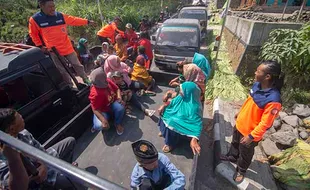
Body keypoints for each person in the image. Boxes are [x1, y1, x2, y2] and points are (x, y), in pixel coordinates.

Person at [220, 60, 284, 183]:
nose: (255, 72)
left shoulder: (273, 99)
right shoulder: (256, 85)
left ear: (267, 76)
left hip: (250, 133)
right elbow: (249, 101)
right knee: (235, 143)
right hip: (240, 124)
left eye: (258, 71)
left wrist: (251, 136)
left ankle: (241, 170)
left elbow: (266, 123)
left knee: (245, 153)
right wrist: (240, 112)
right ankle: (232, 156)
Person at [0, 108, 78, 189]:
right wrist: (34, 178)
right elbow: (12, 186)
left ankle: (65, 171)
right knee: (75, 182)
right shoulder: (3, 156)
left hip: (46, 163)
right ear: (12, 128)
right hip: (41, 181)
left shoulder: (24, 133)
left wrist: (43, 165)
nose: (21, 116)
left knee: (70, 141)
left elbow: (42, 152)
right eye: (19, 116)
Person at [28, 0, 94, 87]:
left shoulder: (60, 16)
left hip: (67, 47)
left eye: (53, 6)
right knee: (62, 70)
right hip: (54, 50)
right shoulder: (35, 19)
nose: (53, 9)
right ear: (41, 6)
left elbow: (73, 20)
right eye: (50, 7)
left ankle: (85, 79)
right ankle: (70, 86)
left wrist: (87, 21)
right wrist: (40, 46)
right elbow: (33, 34)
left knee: (77, 65)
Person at [157, 82, 203, 155]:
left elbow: (197, 125)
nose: (180, 92)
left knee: (171, 121)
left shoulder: (195, 108)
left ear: (188, 93)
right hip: (175, 116)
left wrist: (194, 139)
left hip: (182, 126)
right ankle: (164, 132)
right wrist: (164, 106)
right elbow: (171, 102)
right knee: (165, 112)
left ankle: (171, 143)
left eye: (182, 91)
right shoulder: (182, 97)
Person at [89, 67, 125, 135]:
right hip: (102, 111)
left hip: (112, 104)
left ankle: (117, 123)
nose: (106, 80)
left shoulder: (107, 80)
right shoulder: (95, 93)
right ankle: (95, 125)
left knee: (120, 107)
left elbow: (117, 89)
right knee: (98, 126)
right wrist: (103, 120)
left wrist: (119, 98)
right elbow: (95, 108)